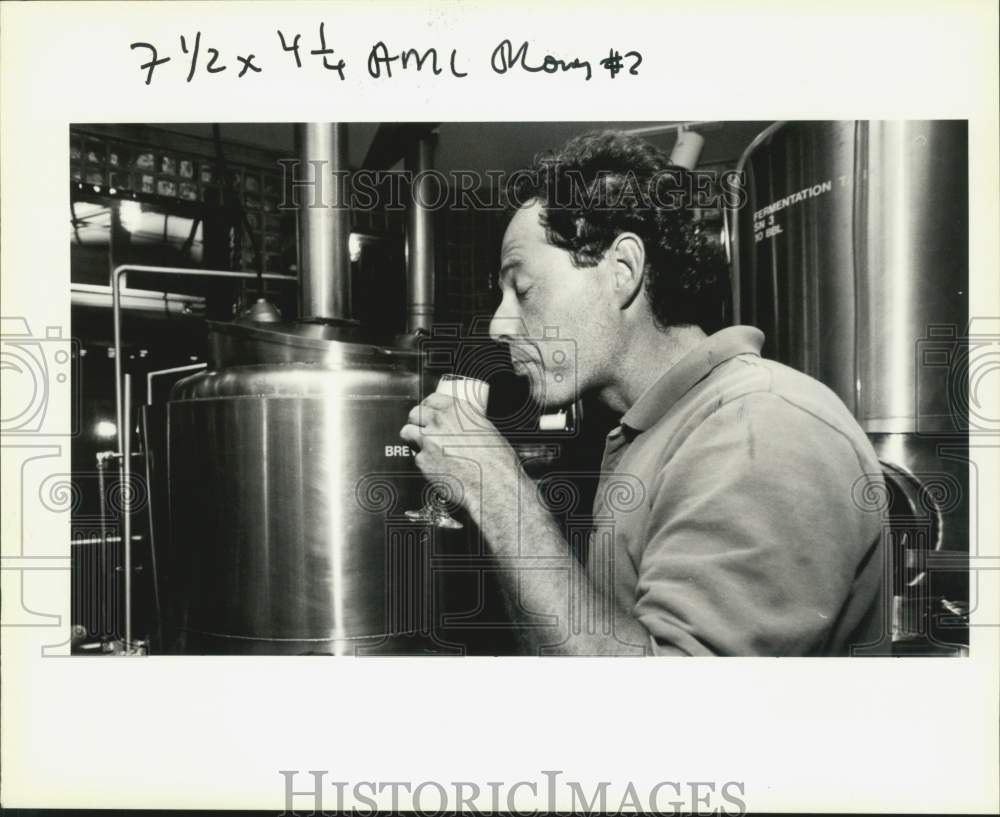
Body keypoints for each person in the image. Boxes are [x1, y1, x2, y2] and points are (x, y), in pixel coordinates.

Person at [399, 130, 886, 656]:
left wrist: (497, 490)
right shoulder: (650, 430)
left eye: (523, 289)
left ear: (623, 270)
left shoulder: (761, 427)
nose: (499, 324)